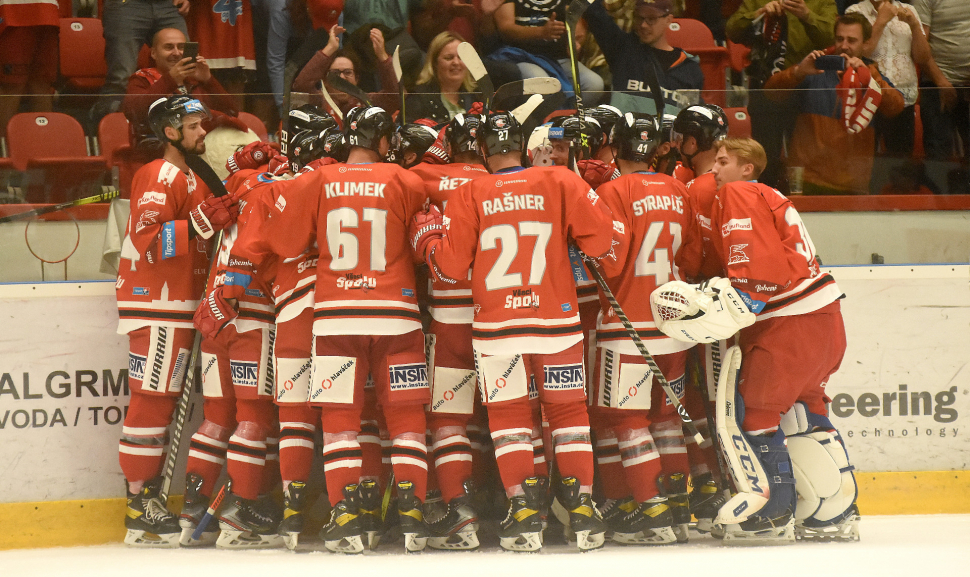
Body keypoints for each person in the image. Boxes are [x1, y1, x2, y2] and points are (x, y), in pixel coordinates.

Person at [409, 110, 617, 552]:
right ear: (522, 147)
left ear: (483, 150)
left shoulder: (471, 191)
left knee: (509, 420)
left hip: (497, 325)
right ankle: (582, 510)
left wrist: (427, 239)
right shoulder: (560, 181)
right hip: (557, 322)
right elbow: (602, 243)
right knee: (568, 415)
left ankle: (524, 513)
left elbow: (449, 266)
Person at [652, 137, 858, 543]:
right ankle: (833, 514)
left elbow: (758, 270)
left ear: (747, 167)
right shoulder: (773, 195)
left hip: (789, 325)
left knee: (756, 417)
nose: (714, 169)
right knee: (808, 411)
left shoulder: (739, 192)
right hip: (826, 319)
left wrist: (730, 305)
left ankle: (771, 512)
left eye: (723, 161)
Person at [257, 106, 432, 554]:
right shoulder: (405, 180)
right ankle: (412, 511)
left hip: (336, 313)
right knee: (407, 416)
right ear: (382, 140)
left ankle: (346, 515)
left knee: (340, 421)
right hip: (397, 313)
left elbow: (289, 242)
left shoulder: (317, 180)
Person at [115, 95, 239, 548]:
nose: (202, 132)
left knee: (163, 404)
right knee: (152, 402)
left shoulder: (193, 175)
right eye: (192, 126)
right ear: (170, 133)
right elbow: (149, 242)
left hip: (181, 306)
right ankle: (138, 502)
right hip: (157, 306)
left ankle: (144, 498)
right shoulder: (157, 175)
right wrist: (202, 222)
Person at [589, 112, 702, 545]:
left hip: (626, 323)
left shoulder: (612, 190)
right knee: (667, 420)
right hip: (672, 325)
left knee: (628, 421)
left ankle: (650, 507)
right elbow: (691, 259)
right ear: (657, 149)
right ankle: (676, 507)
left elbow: (610, 258)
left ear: (615, 149)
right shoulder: (678, 189)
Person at [408, 113, 491, 550]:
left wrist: (426, 151)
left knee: (448, 418)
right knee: (522, 419)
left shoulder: (425, 176)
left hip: (450, 314)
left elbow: (393, 179)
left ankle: (461, 510)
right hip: (505, 316)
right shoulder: (504, 177)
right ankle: (533, 504)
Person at [763, 13, 904, 195]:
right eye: (839, 39)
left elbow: (896, 108)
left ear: (866, 44)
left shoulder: (871, 76)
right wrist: (797, 72)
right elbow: (770, 94)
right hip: (808, 179)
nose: (844, 45)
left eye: (851, 40)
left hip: (853, 183)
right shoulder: (814, 68)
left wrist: (870, 77)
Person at [726, 0, 837, 188]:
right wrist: (759, 14)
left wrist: (806, 15)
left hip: (806, 88)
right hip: (765, 85)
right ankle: (764, 199)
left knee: (804, 157)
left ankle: (802, 203)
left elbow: (833, 37)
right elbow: (732, 30)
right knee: (765, 156)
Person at [123, 28, 244, 164]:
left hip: (202, 153)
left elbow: (232, 113)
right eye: (169, 47)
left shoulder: (195, 79)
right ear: (154, 53)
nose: (176, 53)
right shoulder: (142, 79)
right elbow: (133, 112)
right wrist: (170, 80)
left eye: (181, 47)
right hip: (156, 155)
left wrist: (209, 80)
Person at [846, 0, 950, 156]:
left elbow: (922, 57)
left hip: (902, 100)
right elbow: (860, 52)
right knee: (864, 159)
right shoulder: (854, 11)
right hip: (867, 99)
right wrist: (881, 21)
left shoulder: (909, 10)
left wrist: (914, 25)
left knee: (900, 164)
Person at [584, 0, 704, 115]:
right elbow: (593, 12)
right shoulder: (622, 49)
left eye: (651, 19)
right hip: (627, 133)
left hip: (670, 135)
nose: (643, 25)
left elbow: (693, 117)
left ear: (668, 19)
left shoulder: (689, 66)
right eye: (640, 18)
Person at [492, 0, 605, 106]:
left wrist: (574, 41)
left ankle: (564, 118)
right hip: (520, 56)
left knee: (594, 84)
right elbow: (505, 29)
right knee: (542, 82)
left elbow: (575, 25)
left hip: (556, 58)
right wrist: (541, 32)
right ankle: (545, 118)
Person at [93, 0, 190, 121]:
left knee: (186, 68)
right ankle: (110, 131)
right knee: (122, 78)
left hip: (168, 5)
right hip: (125, 4)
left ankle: (188, 126)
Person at [292, 24, 400, 117]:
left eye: (348, 72)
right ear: (324, 80)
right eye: (335, 73)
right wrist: (329, 49)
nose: (342, 77)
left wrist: (383, 57)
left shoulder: (366, 101)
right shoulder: (318, 101)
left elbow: (395, 98)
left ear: (357, 78)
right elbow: (301, 85)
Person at [912, 0, 969, 163]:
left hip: (968, 84)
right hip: (935, 84)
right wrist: (941, 81)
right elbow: (919, 45)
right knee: (938, 155)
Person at [0, 0, 58, 132]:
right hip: (13, 13)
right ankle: (4, 148)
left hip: (48, 12)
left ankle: (45, 146)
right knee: (13, 85)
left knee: (41, 84)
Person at [405, 31, 478, 124]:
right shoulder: (418, 98)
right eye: (449, 58)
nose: (456, 62)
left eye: (461, 57)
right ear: (435, 63)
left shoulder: (477, 96)